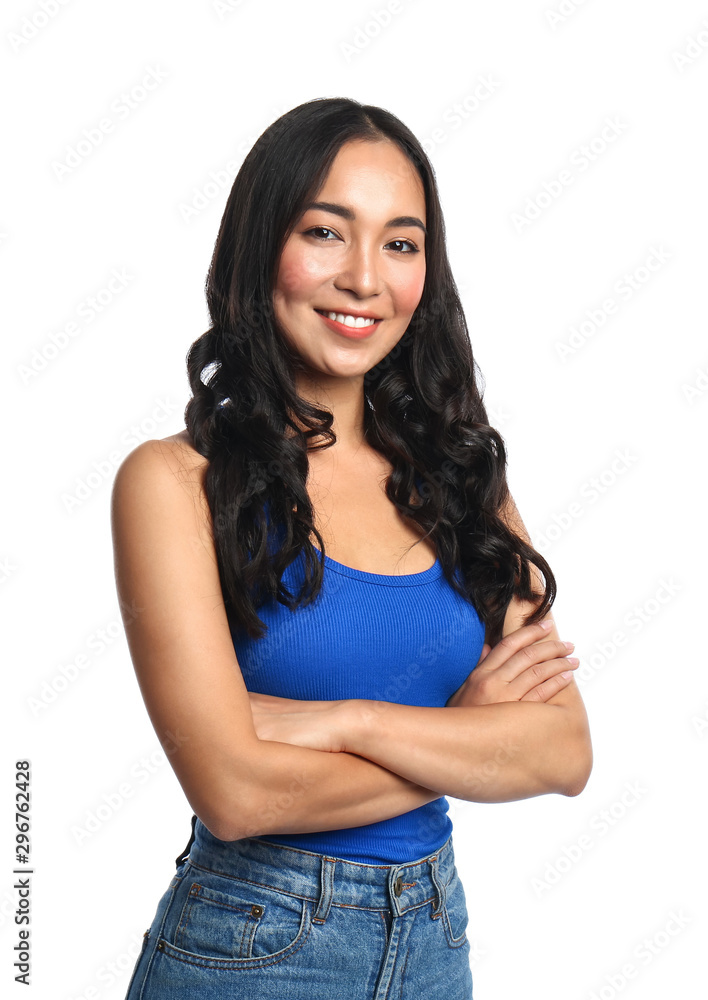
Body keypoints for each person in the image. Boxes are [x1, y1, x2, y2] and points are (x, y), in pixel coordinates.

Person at [111, 96, 592, 999]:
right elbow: (238, 794)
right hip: (251, 942)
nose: (365, 278)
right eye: (328, 232)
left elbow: (563, 754)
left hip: (435, 936)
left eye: (401, 244)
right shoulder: (175, 483)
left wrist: (346, 723)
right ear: (262, 248)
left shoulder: (458, 476)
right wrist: (467, 734)